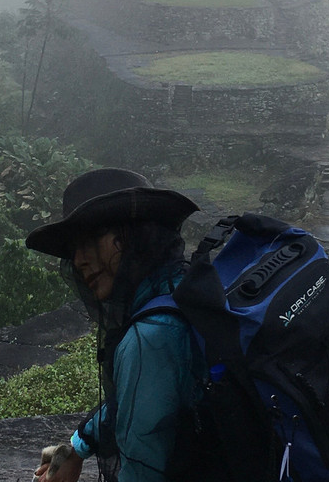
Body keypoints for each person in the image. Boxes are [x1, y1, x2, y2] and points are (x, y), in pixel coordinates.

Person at [25, 168, 206, 482]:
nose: (79, 260)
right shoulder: (183, 288)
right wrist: (75, 448)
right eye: (74, 249)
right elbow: (138, 400)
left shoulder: (150, 338)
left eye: (91, 239)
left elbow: (142, 471)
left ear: (133, 234)